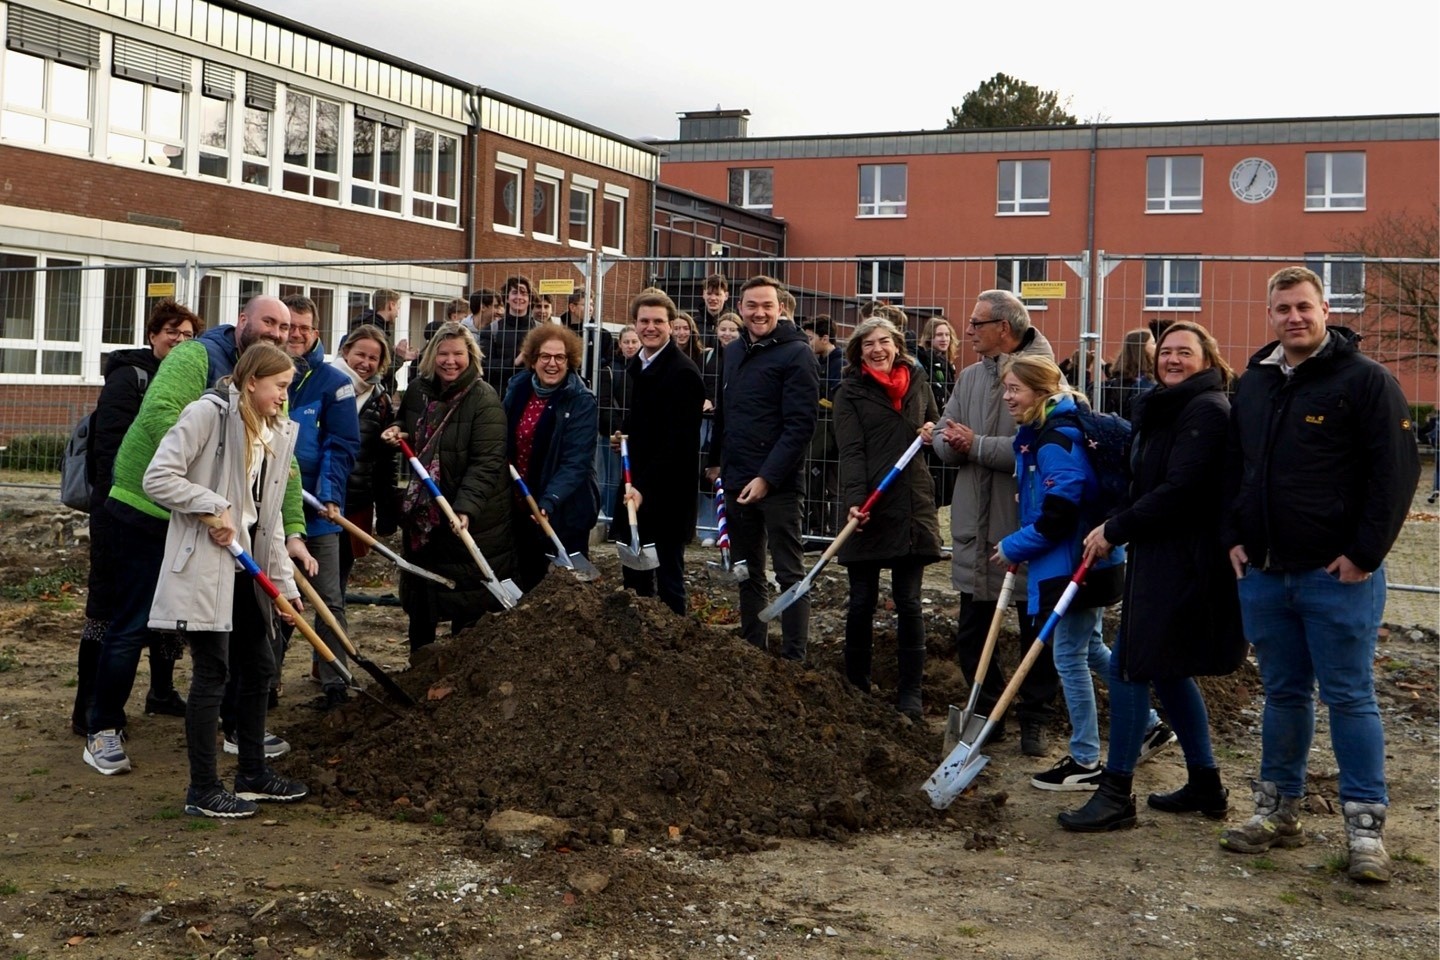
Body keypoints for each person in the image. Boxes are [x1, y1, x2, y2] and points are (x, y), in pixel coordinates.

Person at [1219, 266, 1420, 883]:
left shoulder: (1365, 382)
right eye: (1282, 309)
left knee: (1350, 696)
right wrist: (1232, 536)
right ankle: (1277, 810)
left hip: (1338, 577)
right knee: (1282, 693)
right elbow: (1234, 467)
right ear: (1270, 315)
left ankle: (1365, 831)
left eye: (1304, 307)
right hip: (1266, 574)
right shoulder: (1252, 384)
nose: (1294, 318)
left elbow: (1396, 474)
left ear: (1325, 310)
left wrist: (1364, 553)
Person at [83, 296, 314, 778]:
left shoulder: (272, 386)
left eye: (286, 326)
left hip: (213, 517)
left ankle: (236, 728)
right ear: (244, 321)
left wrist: (292, 529)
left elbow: (281, 468)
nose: (277, 331)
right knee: (133, 621)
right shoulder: (198, 358)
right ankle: (101, 728)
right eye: (268, 322)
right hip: (150, 507)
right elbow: (161, 415)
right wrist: (215, 481)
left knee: (231, 624)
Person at [1058, 322, 1246, 831]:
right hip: (1159, 554)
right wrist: (1112, 513)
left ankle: (1116, 791)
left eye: (1185, 352)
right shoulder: (1163, 409)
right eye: (1166, 352)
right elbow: (1144, 482)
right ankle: (1206, 785)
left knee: (1128, 666)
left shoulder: (1208, 411)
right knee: (1165, 669)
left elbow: (1183, 490)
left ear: (1207, 359)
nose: (1173, 359)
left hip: (1186, 560)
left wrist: (1116, 528)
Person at [141, 342, 310, 818]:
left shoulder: (273, 430)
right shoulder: (206, 415)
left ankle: (252, 773)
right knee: (212, 674)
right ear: (251, 381)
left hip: (247, 569)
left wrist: (286, 588)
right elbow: (158, 477)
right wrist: (212, 505)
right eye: (279, 387)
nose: (283, 397)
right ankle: (203, 789)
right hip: (206, 568)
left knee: (258, 669)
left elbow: (268, 519)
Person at [994, 355, 1171, 792]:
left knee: (1068, 657)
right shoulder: (1049, 431)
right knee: (1090, 647)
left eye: (1015, 389)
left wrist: (1014, 545)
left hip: (1075, 564)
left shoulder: (1055, 440)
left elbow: (1059, 514)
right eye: (1006, 388)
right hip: (1094, 562)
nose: (1007, 397)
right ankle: (1150, 725)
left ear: (1040, 392)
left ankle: (1085, 758)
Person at [931, 291, 1059, 757]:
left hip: (1022, 523)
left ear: (1004, 328)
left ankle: (1035, 718)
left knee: (1034, 630)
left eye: (976, 323)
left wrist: (977, 444)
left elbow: (1040, 450)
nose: (968, 331)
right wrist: (949, 443)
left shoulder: (1045, 376)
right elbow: (946, 434)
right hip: (973, 521)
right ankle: (988, 712)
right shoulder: (968, 377)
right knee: (972, 631)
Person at [73, 300, 199, 737]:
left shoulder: (186, 382)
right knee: (108, 609)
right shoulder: (132, 378)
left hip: (164, 511)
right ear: (153, 336)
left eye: (187, 336)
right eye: (172, 332)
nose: (179, 341)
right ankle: (89, 708)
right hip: (118, 510)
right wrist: (114, 508)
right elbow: (109, 447)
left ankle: (160, 692)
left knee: (163, 606)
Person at [833, 314, 943, 719]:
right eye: (868, 344)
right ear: (858, 352)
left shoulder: (917, 382)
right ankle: (856, 684)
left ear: (897, 344)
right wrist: (855, 501)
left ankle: (910, 692)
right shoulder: (850, 392)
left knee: (909, 601)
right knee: (861, 599)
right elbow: (851, 451)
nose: (877, 350)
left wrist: (934, 430)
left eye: (884, 341)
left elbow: (936, 423)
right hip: (867, 506)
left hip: (911, 504)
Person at [383, 322, 516, 650]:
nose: (450, 361)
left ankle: (459, 676)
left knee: (467, 601)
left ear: (470, 356)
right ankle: (420, 667)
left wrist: (465, 510)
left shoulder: (484, 399)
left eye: (458, 354)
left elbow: (487, 463)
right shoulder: (418, 390)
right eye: (443, 354)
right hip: (425, 513)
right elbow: (413, 425)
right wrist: (398, 429)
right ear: (432, 356)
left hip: (473, 517)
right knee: (423, 593)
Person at [707, 276, 819, 661]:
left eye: (767, 306)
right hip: (737, 478)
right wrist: (714, 460)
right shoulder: (735, 352)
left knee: (789, 572)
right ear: (740, 308)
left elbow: (801, 424)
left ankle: (793, 659)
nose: (759, 313)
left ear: (780, 309)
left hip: (780, 484)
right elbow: (727, 412)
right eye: (752, 305)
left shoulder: (796, 354)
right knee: (747, 570)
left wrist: (768, 477)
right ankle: (754, 652)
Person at [282, 295, 360, 711]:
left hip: (318, 512)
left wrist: (328, 495)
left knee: (328, 598)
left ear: (316, 333)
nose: (294, 334)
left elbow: (342, 444)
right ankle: (264, 683)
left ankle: (336, 682)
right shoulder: (260, 370)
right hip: (267, 511)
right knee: (274, 600)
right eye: (288, 326)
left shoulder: (333, 382)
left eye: (303, 328)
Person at [610, 291, 704, 615]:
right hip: (635, 489)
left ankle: (672, 655)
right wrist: (625, 434)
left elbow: (678, 444)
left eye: (658, 321)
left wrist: (642, 488)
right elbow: (645, 419)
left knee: (668, 583)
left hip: (665, 496)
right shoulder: (639, 364)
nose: (651, 327)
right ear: (635, 324)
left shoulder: (682, 373)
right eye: (644, 321)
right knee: (635, 579)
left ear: (670, 324)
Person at [502, 325, 600, 591]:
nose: (552, 363)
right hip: (521, 502)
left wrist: (549, 501)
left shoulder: (580, 400)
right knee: (527, 577)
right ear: (533, 360)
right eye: (545, 356)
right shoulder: (518, 388)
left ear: (570, 361)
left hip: (563, 507)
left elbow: (576, 462)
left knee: (567, 589)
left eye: (560, 357)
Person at [331, 325, 398, 594]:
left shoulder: (380, 402)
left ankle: (331, 635)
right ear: (346, 351)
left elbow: (384, 462)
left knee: (337, 585)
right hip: (315, 501)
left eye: (374, 358)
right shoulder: (324, 384)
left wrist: (386, 513)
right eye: (361, 354)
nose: (365, 363)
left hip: (354, 503)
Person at [803, 314, 845, 540]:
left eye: (810, 338)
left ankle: (836, 535)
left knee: (834, 485)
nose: (808, 344)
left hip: (833, 435)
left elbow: (835, 401)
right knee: (816, 481)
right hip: (820, 434)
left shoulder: (839, 365)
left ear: (825, 337)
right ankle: (818, 532)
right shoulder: (819, 363)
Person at [596, 325, 640, 519]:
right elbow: (604, 405)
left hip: (638, 434)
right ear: (619, 344)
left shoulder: (647, 369)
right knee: (612, 479)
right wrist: (619, 430)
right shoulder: (610, 370)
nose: (630, 346)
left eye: (634, 342)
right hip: (614, 435)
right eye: (626, 342)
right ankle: (610, 517)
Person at [916, 316, 960, 509]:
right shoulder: (927, 362)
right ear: (929, 338)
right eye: (938, 335)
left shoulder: (947, 364)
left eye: (947, 334)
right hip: (929, 427)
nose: (944, 339)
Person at [477, 275, 536, 395]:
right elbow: (483, 366)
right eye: (514, 293)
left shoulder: (541, 330)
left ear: (530, 300)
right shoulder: (492, 330)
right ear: (507, 298)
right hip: (500, 395)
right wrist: (513, 362)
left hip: (533, 393)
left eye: (524, 293)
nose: (519, 297)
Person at [1100, 329, 1156, 421]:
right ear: (1141, 347)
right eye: (1153, 343)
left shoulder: (1118, 379)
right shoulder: (1145, 382)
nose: (1157, 346)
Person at [696, 273, 729, 344]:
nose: (713, 298)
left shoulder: (734, 323)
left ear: (726, 296)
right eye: (709, 294)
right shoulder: (694, 324)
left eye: (717, 294)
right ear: (703, 294)